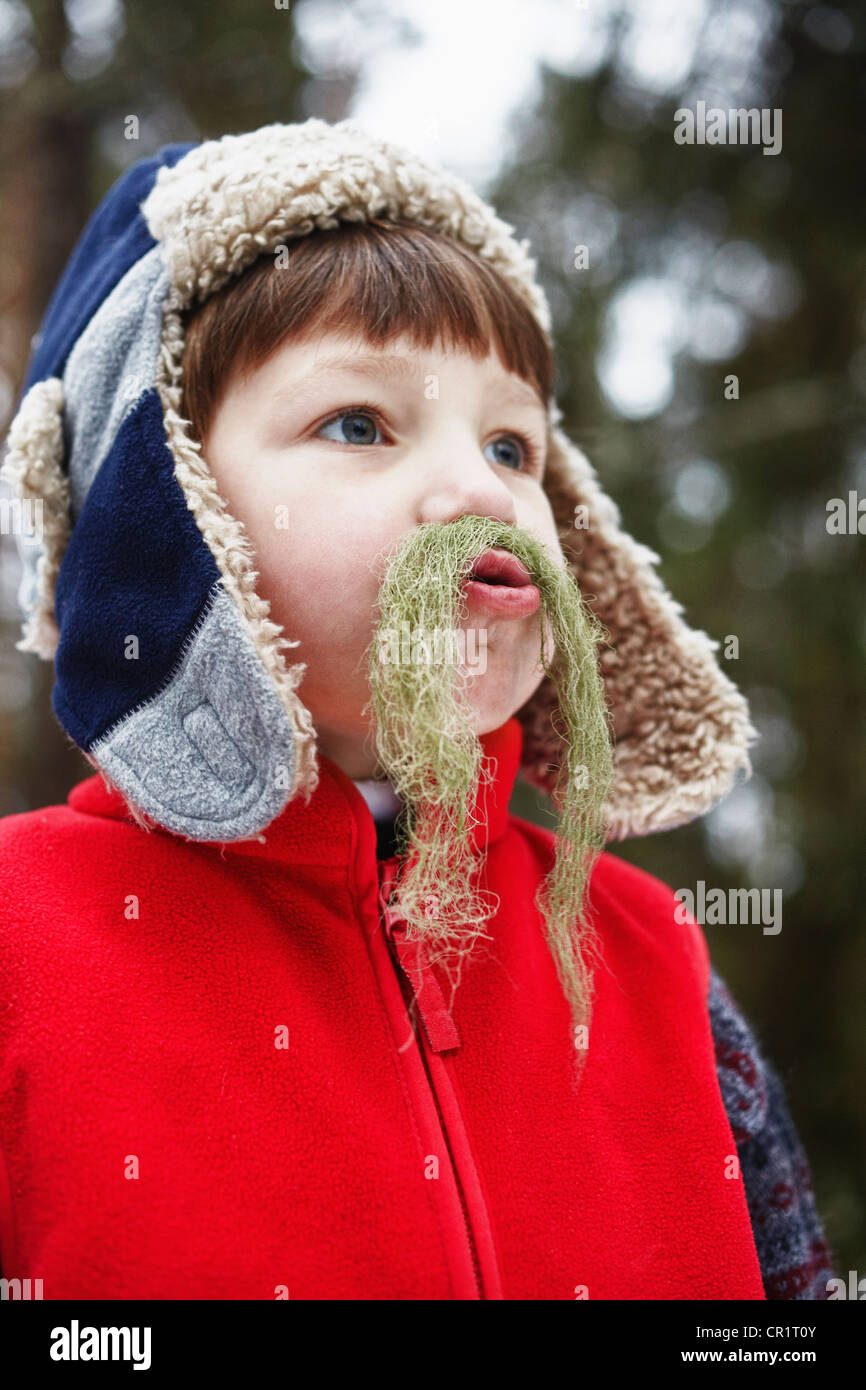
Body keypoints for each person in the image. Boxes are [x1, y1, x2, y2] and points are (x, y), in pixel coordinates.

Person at [0, 118, 834, 1299]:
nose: (473, 492)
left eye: (512, 443)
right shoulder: (16, 945)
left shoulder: (652, 964)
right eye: (358, 424)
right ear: (163, 508)